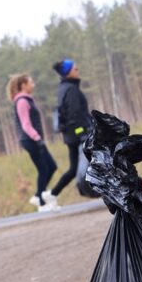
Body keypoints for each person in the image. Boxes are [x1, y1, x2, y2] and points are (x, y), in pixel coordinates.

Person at [8, 73, 59, 212]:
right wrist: (37, 138)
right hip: (30, 140)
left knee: (51, 166)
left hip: (34, 139)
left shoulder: (27, 100)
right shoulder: (22, 101)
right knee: (44, 169)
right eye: (31, 82)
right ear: (23, 85)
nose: (33, 84)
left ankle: (39, 197)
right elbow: (26, 124)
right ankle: (41, 202)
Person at [49, 59, 92, 199]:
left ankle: (52, 194)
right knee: (98, 162)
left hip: (70, 135)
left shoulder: (63, 88)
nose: (77, 69)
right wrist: (83, 132)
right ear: (68, 73)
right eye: (75, 69)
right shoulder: (71, 89)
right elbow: (75, 114)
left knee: (73, 169)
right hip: (78, 135)